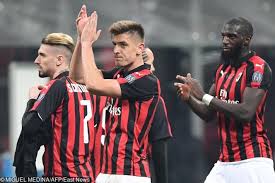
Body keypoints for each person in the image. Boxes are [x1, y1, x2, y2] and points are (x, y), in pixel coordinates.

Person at [70, 5, 170, 183]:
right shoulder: (118, 74)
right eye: (114, 44)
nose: (116, 50)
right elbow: (77, 76)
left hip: (130, 174)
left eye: (123, 44)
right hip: (106, 172)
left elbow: (93, 85)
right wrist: (80, 38)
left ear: (140, 48)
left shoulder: (146, 81)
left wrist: (87, 43)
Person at [174, 17, 275, 183]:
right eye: (223, 36)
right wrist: (189, 99)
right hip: (225, 161)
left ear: (246, 40)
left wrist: (204, 96)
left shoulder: (258, 68)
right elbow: (209, 114)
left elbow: (246, 113)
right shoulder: (222, 70)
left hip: (253, 160)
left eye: (232, 36)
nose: (225, 41)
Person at [14, 32, 95, 180]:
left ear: (59, 60)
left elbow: (30, 127)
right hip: (87, 175)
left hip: (61, 175)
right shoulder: (88, 87)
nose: (36, 60)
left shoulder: (57, 86)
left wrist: (32, 101)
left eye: (42, 55)